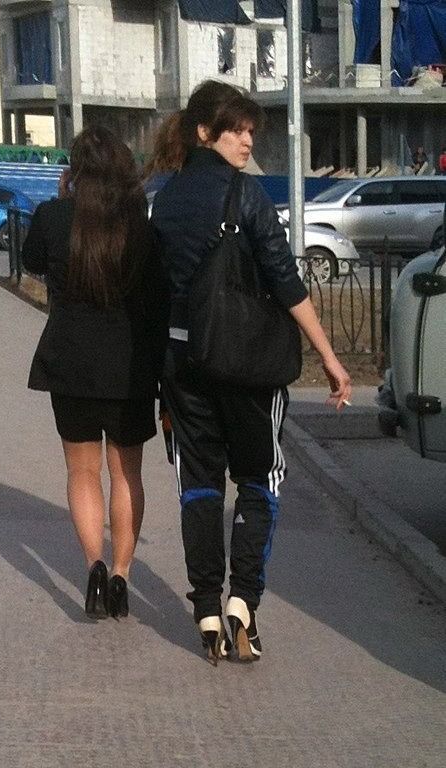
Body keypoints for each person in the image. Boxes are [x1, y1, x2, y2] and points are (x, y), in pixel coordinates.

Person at [151, 80, 351, 664]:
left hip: (183, 364)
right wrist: (330, 358)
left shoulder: (166, 199)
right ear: (204, 132)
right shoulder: (248, 196)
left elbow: (155, 290)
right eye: (236, 131)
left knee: (199, 485)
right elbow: (287, 283)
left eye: (250, 132)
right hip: (248, 368)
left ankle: (206, 608)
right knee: (260, 481)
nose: (246, 141)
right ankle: (243, 601)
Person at [22, 125, 169, 620]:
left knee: (81, 471)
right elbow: (158, 299)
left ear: (75, 171)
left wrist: (63, 200)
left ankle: (94, 565)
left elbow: (31, 260)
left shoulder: (52, 215)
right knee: (126, 472)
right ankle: (123, 571)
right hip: (129, 368)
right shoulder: (141, 227)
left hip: (70, 363)